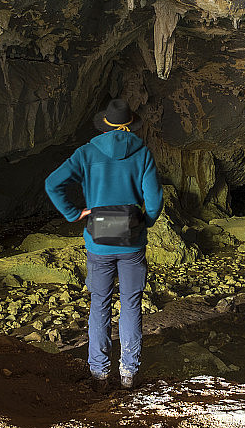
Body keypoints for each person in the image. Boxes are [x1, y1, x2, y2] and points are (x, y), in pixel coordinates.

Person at [45, 98, 163, 389]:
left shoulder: (86, 152)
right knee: (131, 304)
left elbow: (52, 183)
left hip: (98, 241)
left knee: (99, 304)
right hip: (131, 242)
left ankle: (99, 373)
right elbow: (156, 199)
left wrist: (75, 213)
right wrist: (142, 223)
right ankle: (128, 373)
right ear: (129, 125)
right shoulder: (143, 153)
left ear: (106, 124)